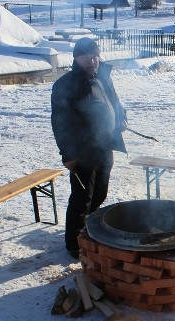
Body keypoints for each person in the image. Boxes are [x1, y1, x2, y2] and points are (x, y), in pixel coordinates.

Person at [51, 37, 127, 259]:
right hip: (82, 148)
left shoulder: (103, 76)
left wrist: (121, 117)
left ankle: (88, 229)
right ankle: (74, 244)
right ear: (76, 58)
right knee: (82, 196)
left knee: (100, 191)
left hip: (105, 144)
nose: (93, 61)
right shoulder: (66, 85)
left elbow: (115, 102)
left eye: (95, 56)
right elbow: (59, 122)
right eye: (87, 57)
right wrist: (67, 153)